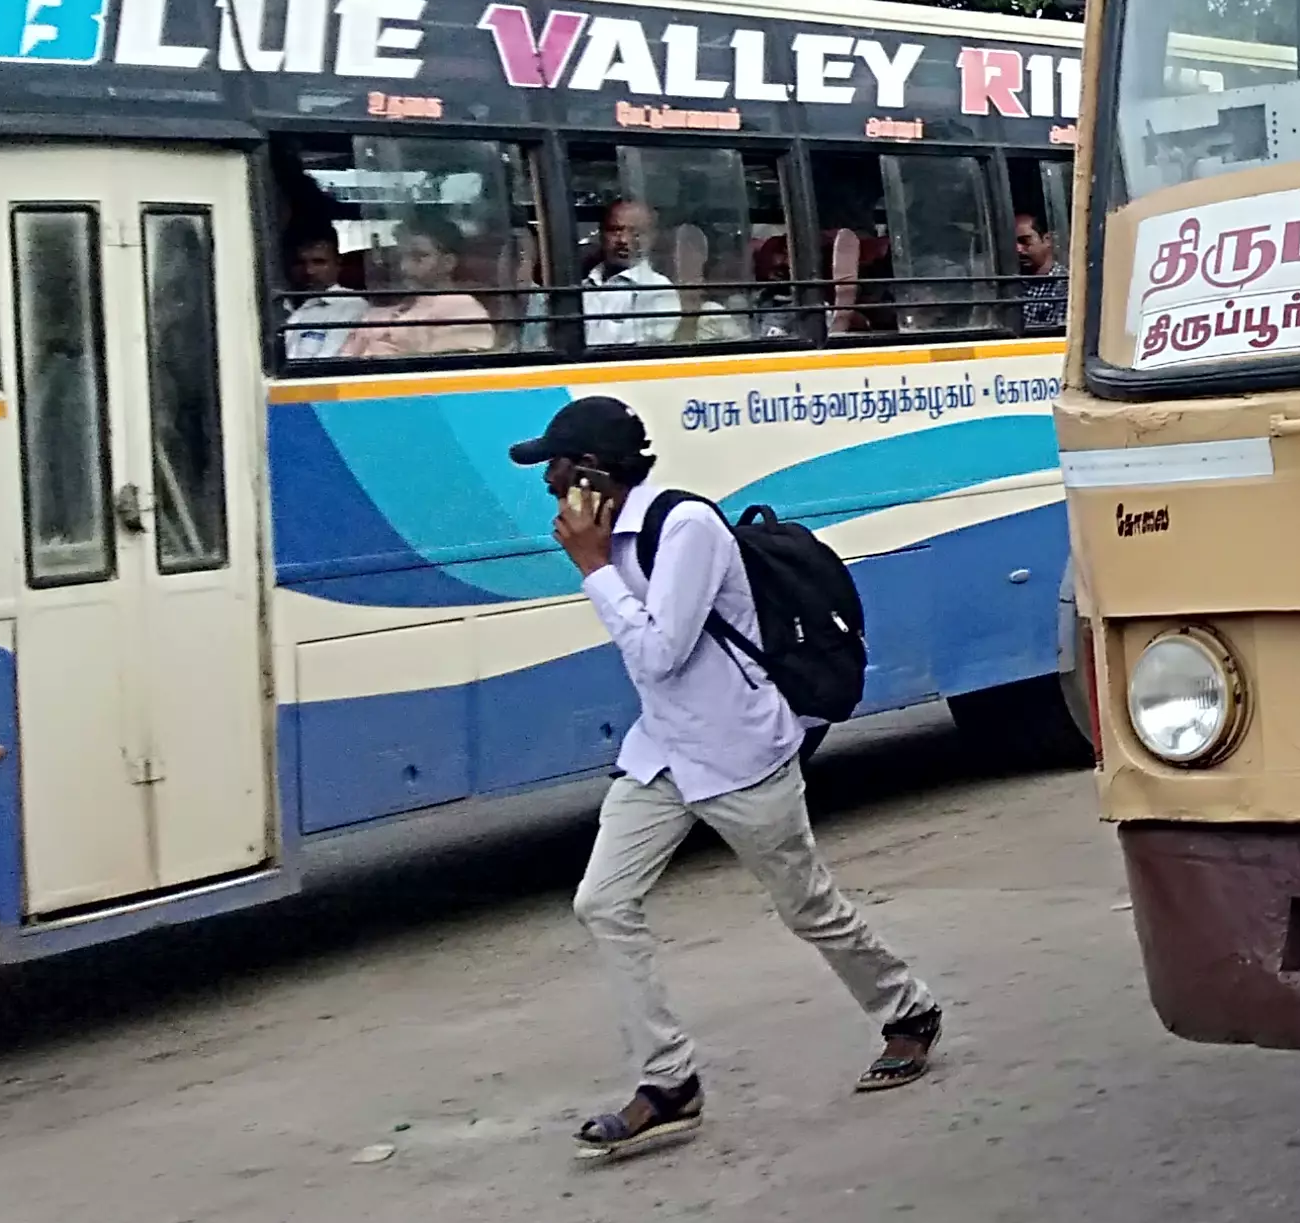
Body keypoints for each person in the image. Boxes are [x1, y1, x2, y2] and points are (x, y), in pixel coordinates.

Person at [512, 391, 944, 1159]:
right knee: (602, 902)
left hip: (741, 753)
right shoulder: (613, 535)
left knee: (807, 906)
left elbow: (660, 653)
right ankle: (668, 1082)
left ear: (594, 472)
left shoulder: (686, 528)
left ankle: (907, 1009)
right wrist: (599, 560)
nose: (547, 485)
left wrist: (593, 569)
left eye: (556, 469)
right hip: (662, 753)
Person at [336, 216, 496, 359]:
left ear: (448, 262)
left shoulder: (459, 307)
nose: (404, 267)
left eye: (418, 256)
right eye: (400, 256)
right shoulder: (382, 310)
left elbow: (448, 371)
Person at [582, 194, 681, 350]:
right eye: (615, 230)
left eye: (636, 233)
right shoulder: (582, 286)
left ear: (652, 238)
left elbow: (635, 354)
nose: (623, 240)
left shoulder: (659, 291)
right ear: (601, 234)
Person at [282, 231, 371, 356]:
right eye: (300, 263)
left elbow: (330, 361)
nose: (309, 271)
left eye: (319, 262)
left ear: (338, 264)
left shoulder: (351, 306)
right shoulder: (279, 304)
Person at [1011, 204, 1065, 336]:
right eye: (1013, 243)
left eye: (1025, 241)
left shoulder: (1064, 286)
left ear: (1047, 240)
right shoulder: (1011, 285)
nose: (1018, 249)